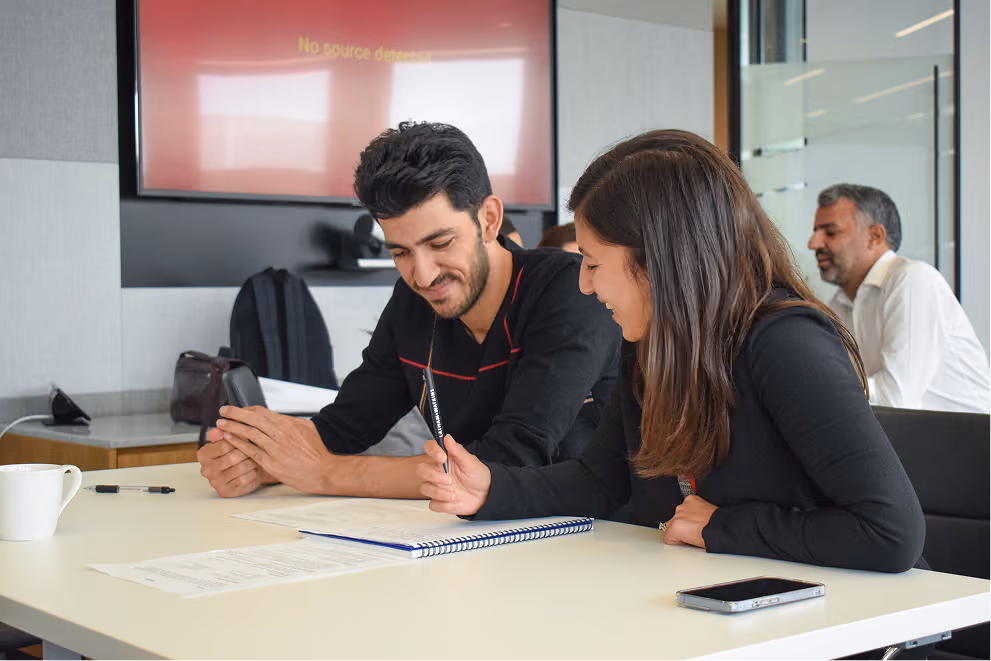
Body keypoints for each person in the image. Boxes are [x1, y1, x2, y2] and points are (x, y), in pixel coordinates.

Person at [418, 130, 927, 578]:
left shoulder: (785, 343)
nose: (585, 285)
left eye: (594, 264)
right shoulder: (651, 343)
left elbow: (890, 533)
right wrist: (491, 489)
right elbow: (603, 479)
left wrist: (727, 527)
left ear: (660, 261)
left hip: (846, 621)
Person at [198, 121, 621, 498]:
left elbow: (507, 460)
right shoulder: (413, 304)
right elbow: (342, 429)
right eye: (400, 252)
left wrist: (326, 474)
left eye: (441, 244)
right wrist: (261, 459)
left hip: (602, 540)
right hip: (481, 546)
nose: (422, 275)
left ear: (489, 220)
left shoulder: (569, 291)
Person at [809, 183, 991, 413]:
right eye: (815, 231)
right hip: (916, 441)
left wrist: (819, 388)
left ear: (875, 236)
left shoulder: (913, 280)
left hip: (971, 443)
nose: (813, 243)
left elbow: (894, 401)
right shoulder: (838, 305)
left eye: (831, 232)